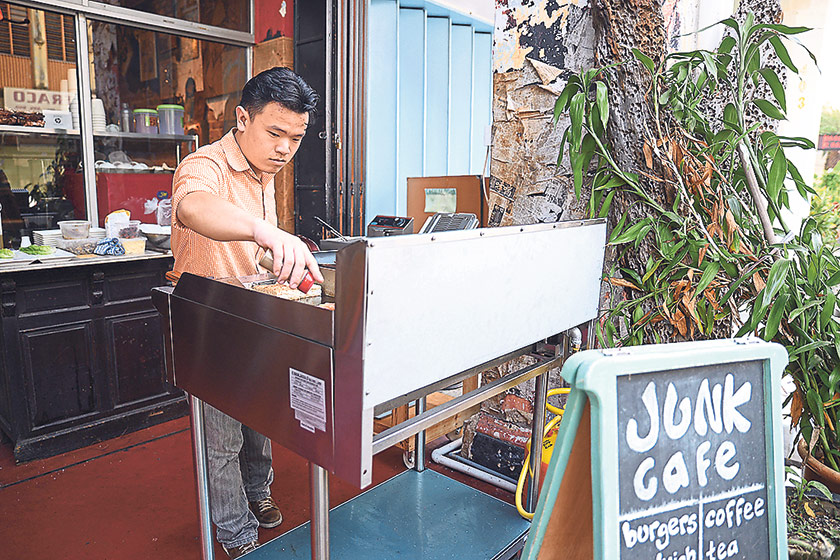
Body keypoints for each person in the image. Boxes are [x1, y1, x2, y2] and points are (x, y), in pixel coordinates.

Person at [171, 67, 324, 559]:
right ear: (242, 118)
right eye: (275, 133)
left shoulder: (265, 175)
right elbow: (194, 208)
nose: (285, 148)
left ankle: (258, 492)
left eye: (296, 138)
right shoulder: (205, 164)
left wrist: (283, 258)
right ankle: (235, 532)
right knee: (221, 437)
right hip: (207, 318)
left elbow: (250, 249)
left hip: (252, 312)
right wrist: (265, 232)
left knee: (261, 416)